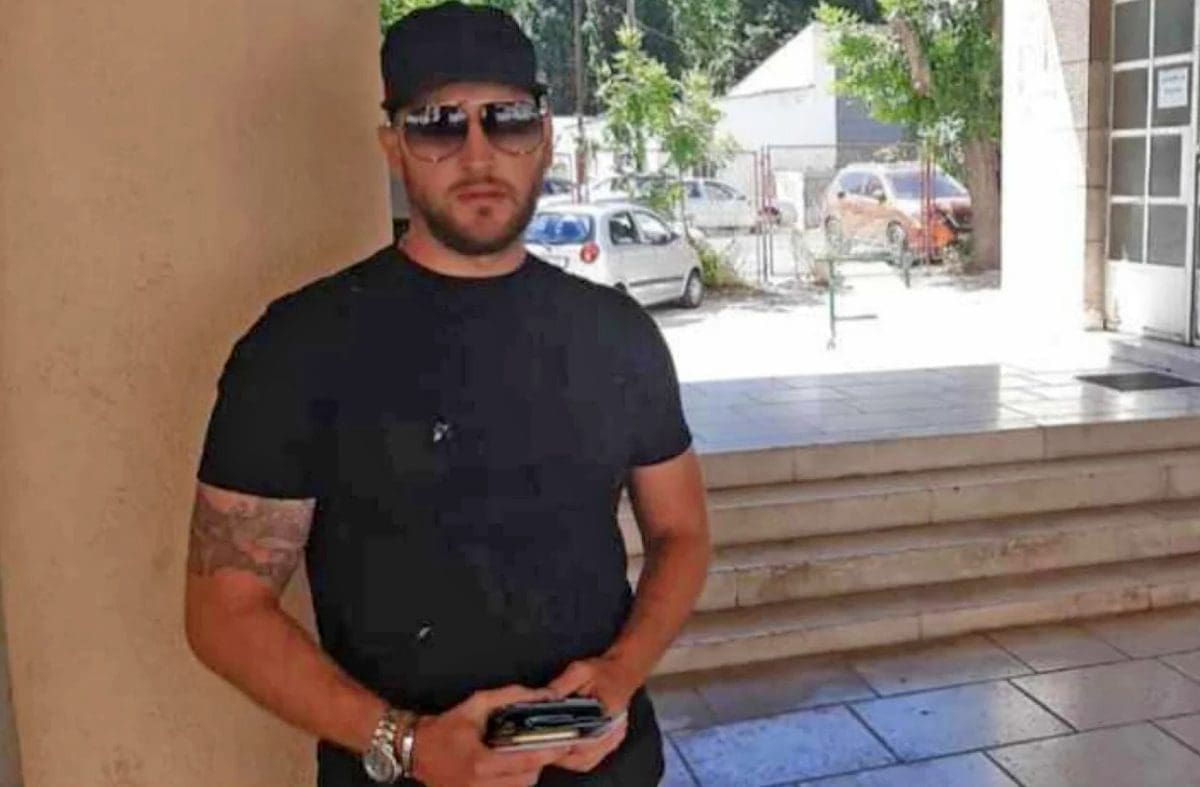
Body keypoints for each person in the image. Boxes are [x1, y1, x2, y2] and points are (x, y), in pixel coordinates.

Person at [183, 3, 711, 785]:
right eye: (437, 124)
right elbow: (222, 611)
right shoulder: (299, 347)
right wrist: (407, 743)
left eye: (507, 119)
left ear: (545, 138)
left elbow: (683, 532)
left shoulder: (616, 333)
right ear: (393, 147)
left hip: (608, 769)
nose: (477, 153)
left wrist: (621, 671)